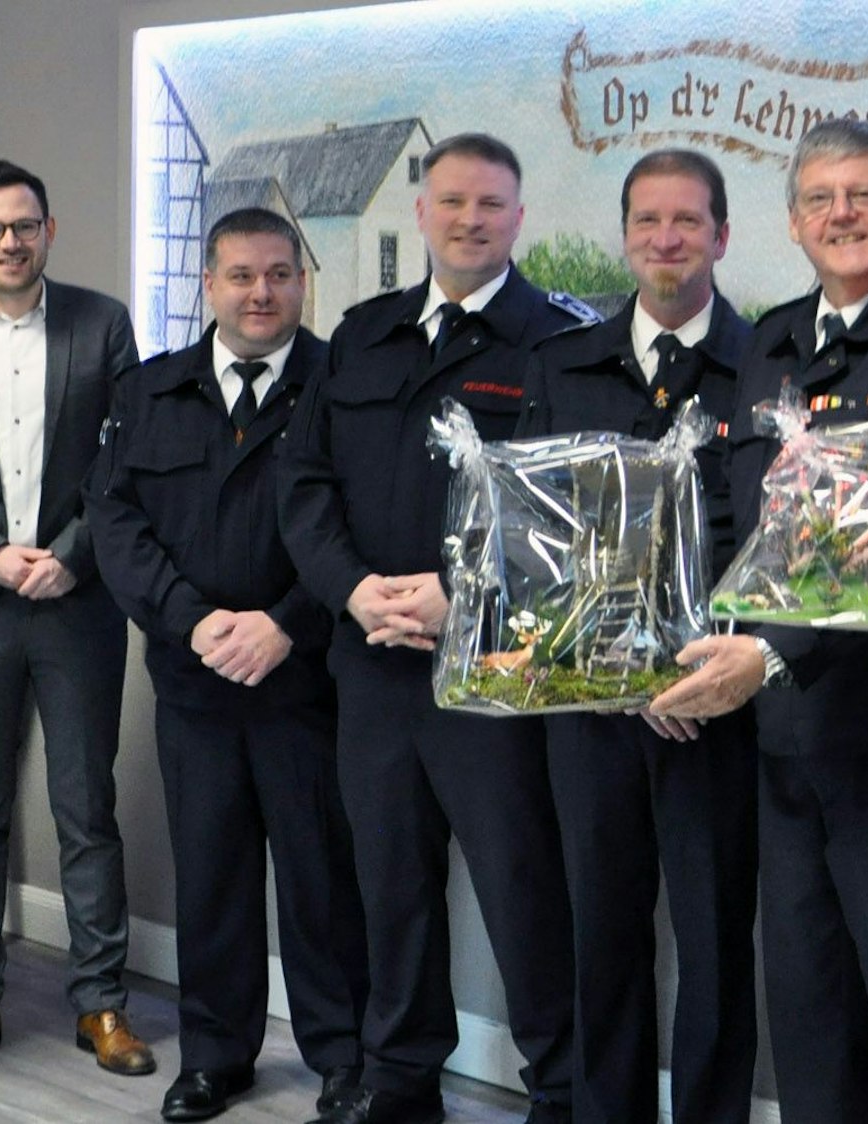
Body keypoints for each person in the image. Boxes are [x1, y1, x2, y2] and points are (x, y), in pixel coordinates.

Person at [649, 117, 868, 1124]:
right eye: (819, 200)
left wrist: (769, 648)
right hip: (784, 743)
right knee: (808, 1018)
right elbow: (735, 516)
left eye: (864, 195)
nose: (842, 214)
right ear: (792, 222)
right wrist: (673, 646)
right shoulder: (774, 343)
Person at [280, 132, 592, 1124]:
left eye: (490, 204)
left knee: (523, 890)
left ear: (518, 217)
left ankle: (562, 1086)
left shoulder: (557, 341)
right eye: (452, 201)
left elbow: (575, 513)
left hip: (495, 671)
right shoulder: (362, 336)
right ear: (422, 211)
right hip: (370, 667)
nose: (469, 219)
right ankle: (403, 1075)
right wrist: (353, 589)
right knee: (391, 889)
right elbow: (305, 488)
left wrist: (468, 601)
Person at [85, 207, 368, 1122]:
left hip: (307, 682)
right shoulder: (152, 391)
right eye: (242, 275)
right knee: (211, 874)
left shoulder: (343, 385)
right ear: (207, 284)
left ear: (302, 282)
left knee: (322, 878)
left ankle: (340, 1057)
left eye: (280, 274)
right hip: (193, 681)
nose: (261, 292)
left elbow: (359, 530)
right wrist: (195, 622)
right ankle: (216, 1055)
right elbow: (116, 525)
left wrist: (287, 624)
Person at [515, 149, 757, 1124]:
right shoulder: (561, 363)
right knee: (602, 940)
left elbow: (771, 533)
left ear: (721, 236)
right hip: (592, 711)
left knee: (713, 947)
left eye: (687, 221)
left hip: (716, 712)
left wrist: (689, 669)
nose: (666, 238)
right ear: (625, 234)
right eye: (648, 220)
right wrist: (617, 669)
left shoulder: (767, 361)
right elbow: (533, 533)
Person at [0, 160, 150, 1078]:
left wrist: (72, 554)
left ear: (51, 228)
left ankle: (103, 1006)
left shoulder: (103, 323)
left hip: (75, 605)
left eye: (25, 225)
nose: (10, 242)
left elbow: (126, 460)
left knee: (88, 808)